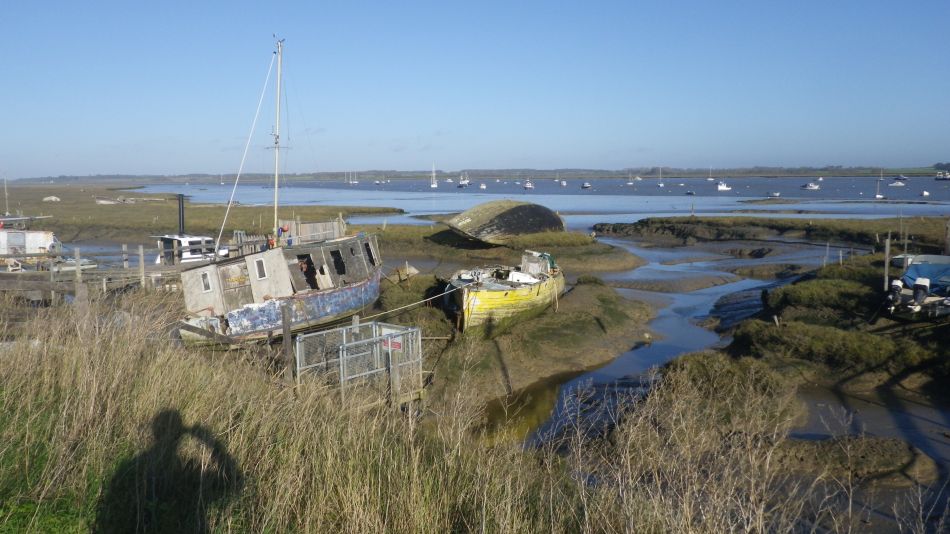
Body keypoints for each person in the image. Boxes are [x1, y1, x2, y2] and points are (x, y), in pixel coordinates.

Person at [94, 410, 243, 533]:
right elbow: (235, 482)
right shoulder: (191, 479)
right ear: (180, 437)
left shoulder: (133, 469)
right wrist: (212, 443)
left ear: (155, 433)